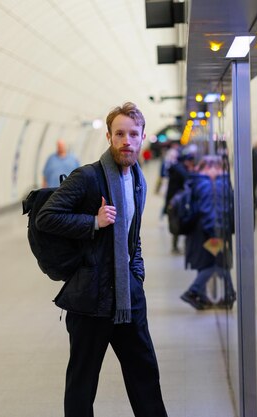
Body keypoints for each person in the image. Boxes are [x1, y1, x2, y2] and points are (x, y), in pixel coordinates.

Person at [36, 102, 167, 417]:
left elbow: (132, 238)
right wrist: (93, 222)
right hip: (91, 301)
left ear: (143, 137)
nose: (127, 140)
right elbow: (46, 217)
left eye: (133, 134)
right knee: (82, 383)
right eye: (119, 133)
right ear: (109, 136)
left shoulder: (138, 180)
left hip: (128, 299)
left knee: (146, 377)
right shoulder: (88, 177)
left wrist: (137, 277)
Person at [180, 155, 236, 310]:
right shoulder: (212, 185)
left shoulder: (200, 182)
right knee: (217, 263)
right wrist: (215, 233)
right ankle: (195, 291)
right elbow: (212, 211)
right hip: (210, 230)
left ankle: (207, 296)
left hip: (201, 230)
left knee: (214, 263)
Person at [164, 150, 196, 254]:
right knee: (178, 222)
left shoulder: (177, 167)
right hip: (176, 201)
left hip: (173, 200)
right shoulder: (181, 170)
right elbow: (187, 179)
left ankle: (176, 246)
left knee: (176, 222)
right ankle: (178, 246)